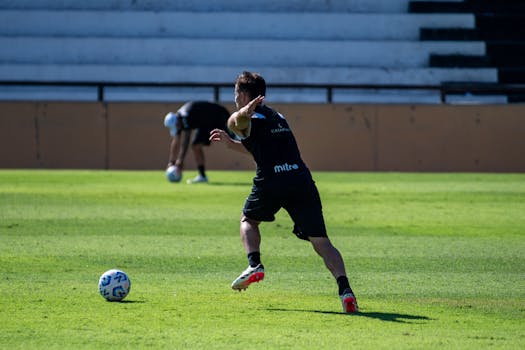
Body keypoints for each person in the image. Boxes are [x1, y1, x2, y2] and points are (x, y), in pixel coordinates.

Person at [210, 71, 359, 313]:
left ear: (244, 94)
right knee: (322, 242)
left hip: (272, 179)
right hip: (301, 179)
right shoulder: (277, 117)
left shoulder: (248, 117)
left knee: (248, 219)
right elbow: (259, 149)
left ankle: (254, 264)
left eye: (236, 93)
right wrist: (231, 144)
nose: (235, 97)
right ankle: (346, 291)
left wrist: (239, 116)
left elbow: (234, 122)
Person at [164, 101, 231, 184]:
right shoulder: (179, 119)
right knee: (195, 146)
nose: (177, 128)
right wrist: (172, 162)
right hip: (205, 122)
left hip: (219, 116)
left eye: (177, 126)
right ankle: (202, 176)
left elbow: (186, 140)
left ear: (177, 121)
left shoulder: (186, 116)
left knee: (235, 139)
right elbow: (176, 140)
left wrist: (180, 160)